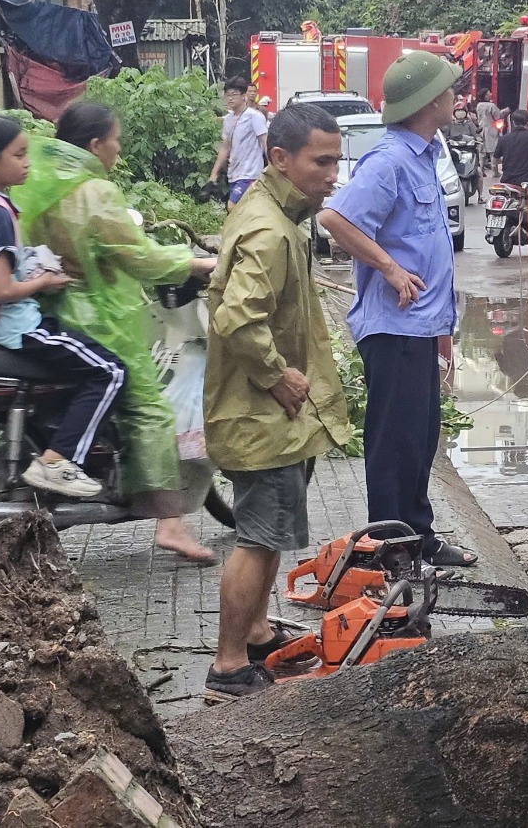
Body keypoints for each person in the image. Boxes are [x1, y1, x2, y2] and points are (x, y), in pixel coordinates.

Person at [15, 101, 218, 562]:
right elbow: (138, 257)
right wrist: (193, 262)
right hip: (99, 317)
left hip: (52, 310)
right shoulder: (94, 192)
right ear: (94, 144)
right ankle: (171, 524)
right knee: (151, 409)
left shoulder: (41, 181)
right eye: (116, 141)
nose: (118, 151)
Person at [203, 104, 352, 702]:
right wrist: (278, 377)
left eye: (337, 161)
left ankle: (258, 634)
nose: (332, 174)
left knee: (268, 532)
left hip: (272, 419)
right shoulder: (269, 230)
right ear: (280, 160)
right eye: (321, 161)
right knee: (259, 537)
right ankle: (229, 666)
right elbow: (239, 318)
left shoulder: (281, 216)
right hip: (260, 414)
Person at [319, 52, 477, 568]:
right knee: (394, 443)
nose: (456, 96)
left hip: (422, 326)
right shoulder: (388, 161)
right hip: (393, 327)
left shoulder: (425, 154)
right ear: (430, 101)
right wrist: (388, 268)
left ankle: (418, 535)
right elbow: (335, 218)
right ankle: (388, 547)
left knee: (422, 436)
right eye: (449, 90)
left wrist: (443, 331)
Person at [0, 114, 127, 499]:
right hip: (19, 328)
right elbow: (2, 289)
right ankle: (57, 461)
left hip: (1, 325)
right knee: (112, 373)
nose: (27, 163)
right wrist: (46, 282)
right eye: (18, 155)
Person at [207, 77, 269, 209]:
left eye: (234, 95)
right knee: (244, 210)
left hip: (251, 174)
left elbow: (265, 143)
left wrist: (273, 169)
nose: (230, 98)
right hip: (234, 174)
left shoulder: (254, 116)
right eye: (227, 95)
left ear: (243, 96)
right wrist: (214, 173)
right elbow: (225, 148)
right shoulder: (228, 120)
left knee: (232, 206)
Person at [476, 88, 502, 170]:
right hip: (491, 130)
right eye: (489, 93)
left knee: (482, 152)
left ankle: (481, 169)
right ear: (486, 96)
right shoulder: (491, 106)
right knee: (492, 151)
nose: (491, 94)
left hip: (481, 130)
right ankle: (495, 171)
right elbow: (497, 117)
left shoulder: (479, 105)